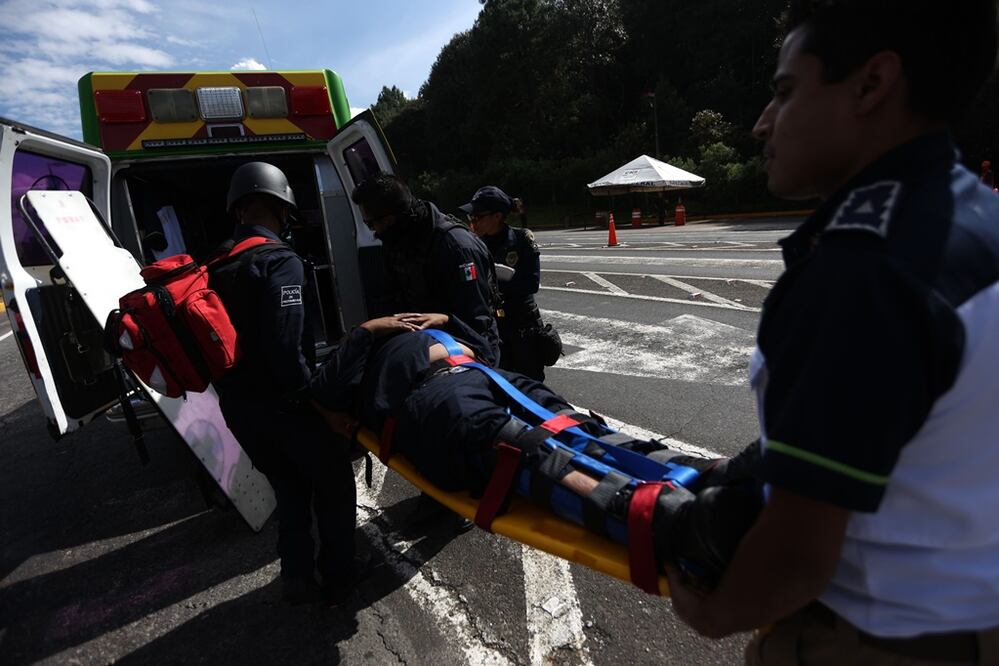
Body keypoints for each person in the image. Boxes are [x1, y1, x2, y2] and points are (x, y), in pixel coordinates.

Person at [664, 2, 999, 664]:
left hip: (885, 638)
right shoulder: (977, 218)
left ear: (870, 85)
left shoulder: (861, 275)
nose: (762, 123)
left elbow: (793, 559)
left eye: (784, 92)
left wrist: (708, 609)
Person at [308, 316, 762, 588]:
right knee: (520, 447)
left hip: (482, 373)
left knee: (574, 424)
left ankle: (707, 473)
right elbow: (321, 392)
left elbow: (485, 348)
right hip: (432, 399)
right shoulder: (358, 354)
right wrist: (367, 331)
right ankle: (671, 522)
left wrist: (445, 319)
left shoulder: (430, 326)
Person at [211, 162, 365, 605]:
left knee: (289, 490)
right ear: (283, 209)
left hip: (239, 409)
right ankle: (341, 575)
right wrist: (323, 407)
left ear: (237, 210)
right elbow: (284, 347)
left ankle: (295, 575)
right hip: (286, 408)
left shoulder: (218, 263)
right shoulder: (280, 261)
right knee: (333, 486)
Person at [351, 173, 502, 367]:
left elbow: (476, 324)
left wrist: (443, 323)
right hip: (426, 345)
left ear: (389, 220)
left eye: (370, 223)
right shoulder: (400, 241)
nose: (373, 231)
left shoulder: (456, 247)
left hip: (467, 353)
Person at [461, 186, 555, 381]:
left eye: (478, 217)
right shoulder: (473, 244)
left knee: (531, 386)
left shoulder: (521, 239)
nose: (473, 223)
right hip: (494, 328)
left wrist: (494, 286)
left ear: (496, 216)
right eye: (471, 218)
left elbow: (531, 283)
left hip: (522, 327)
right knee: (499, 384)